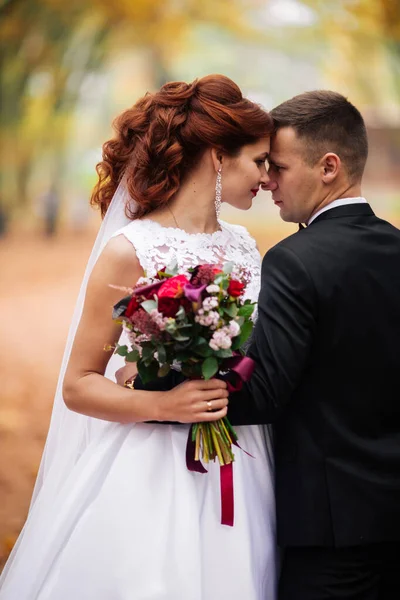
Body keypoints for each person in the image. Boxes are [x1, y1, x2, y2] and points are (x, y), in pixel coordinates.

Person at [0, 75, 277, 599]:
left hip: (241, 457)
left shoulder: (245, 244)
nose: (266, 177)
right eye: (259, 161)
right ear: (219, 156)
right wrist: (166, 403)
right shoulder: (132, 249)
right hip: (154, 466)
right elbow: (78, 384)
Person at [226, 90, 400, 599]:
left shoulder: (294, 260)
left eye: (277, 167)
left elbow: (264, 392)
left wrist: (160, 387)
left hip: (330, 532)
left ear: (329, 166)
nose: (266, 182)